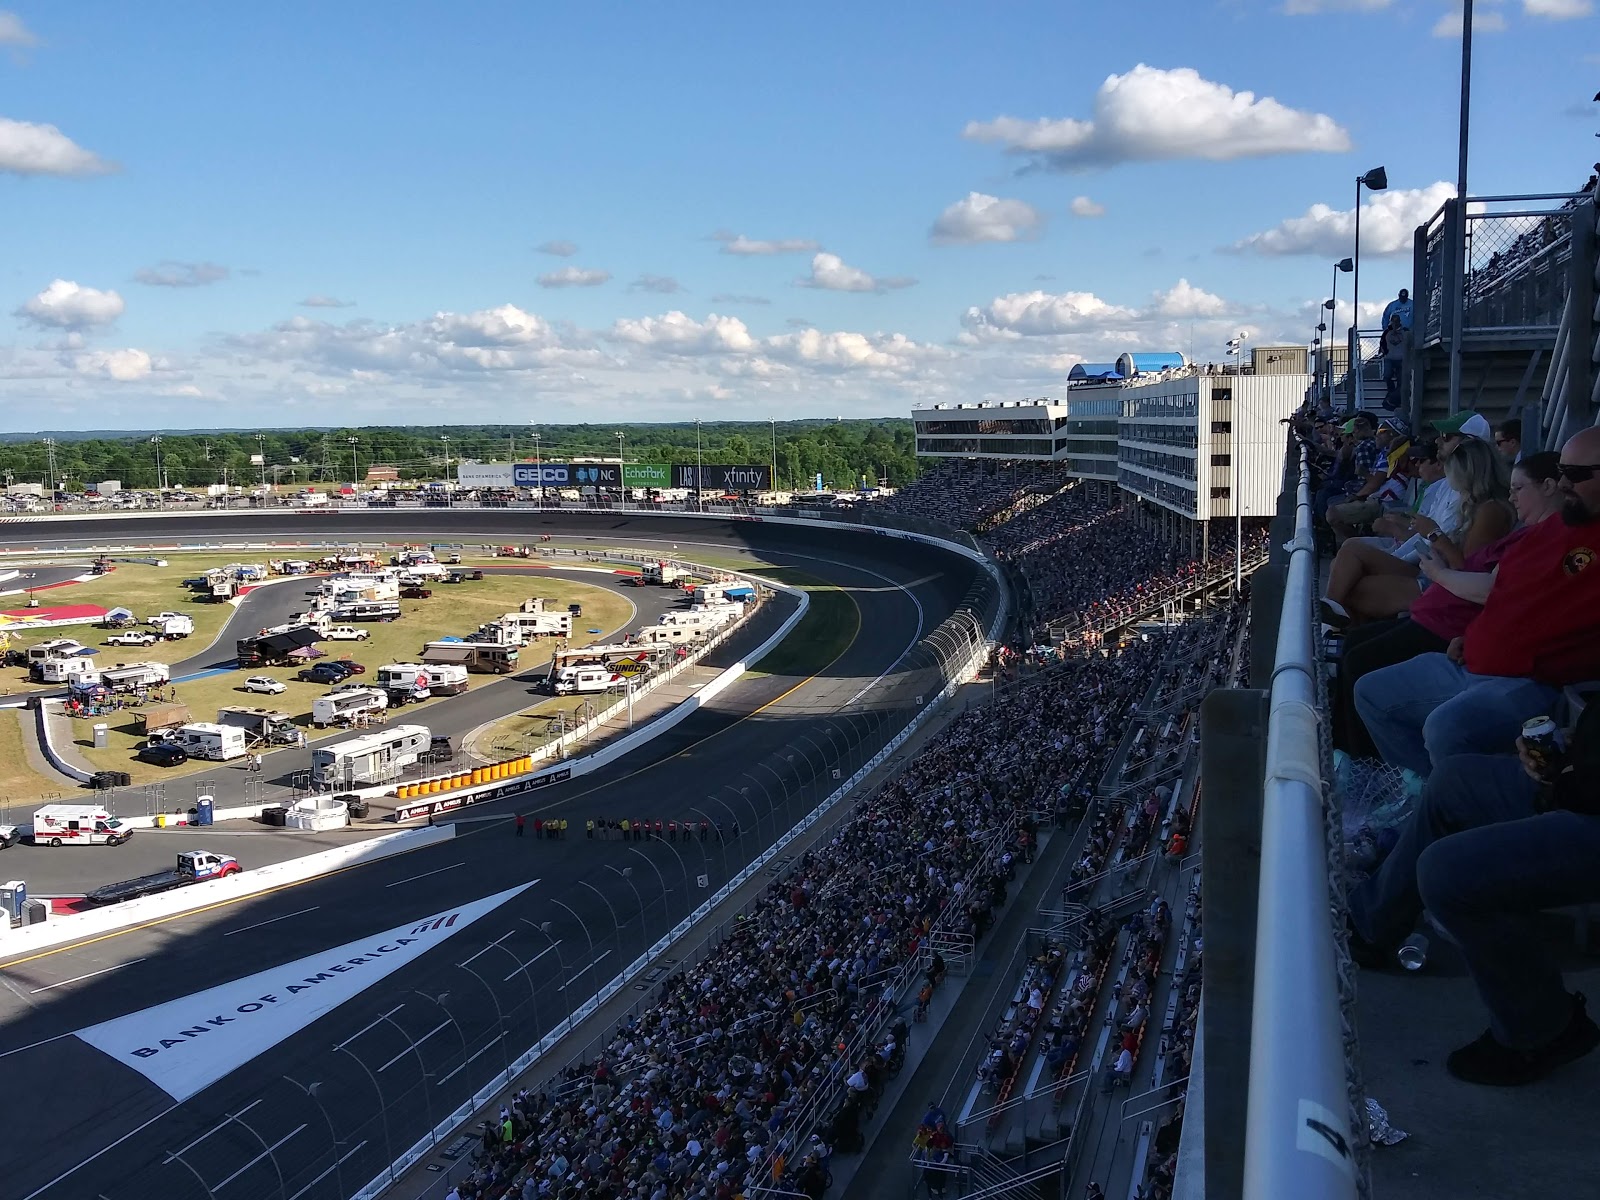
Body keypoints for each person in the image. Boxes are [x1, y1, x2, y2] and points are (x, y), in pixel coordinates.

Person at [1347, 695, 1600, 1084]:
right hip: (1580, 782)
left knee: (1448, 873)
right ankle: (1369, 924)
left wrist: (1569, 777)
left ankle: (1542, 1028)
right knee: (1453, 781)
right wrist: (1574, 744)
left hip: (1587, 800)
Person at [1353, 426, 1600, 777]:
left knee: (1445, 728)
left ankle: (1446, 809)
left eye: (1575, 475)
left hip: (1532, 683)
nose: (1563, 484)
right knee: (1370, 691)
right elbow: (1506, 592)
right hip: (1470, 659)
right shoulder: (1552, 528)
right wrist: (1473, 636)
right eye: (1562, 473)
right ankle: (1418, 794)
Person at [1334, 453, 1564, 757]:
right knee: (1354, 644)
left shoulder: (1501, 516)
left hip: (1450, 625)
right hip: (1453, 627)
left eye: (1519, 489)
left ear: (1548, 486)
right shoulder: (1526, 533)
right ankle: (1347, 751)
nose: (1512, 496)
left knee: (1360, 662)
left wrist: (1435, 552)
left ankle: (1365, 762)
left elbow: (1487, 585)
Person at [1323, 436, 1511, 625]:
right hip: (1432, 570)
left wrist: (1434, 533)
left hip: (1441, 584)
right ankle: (1334, 623)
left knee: (1353, 584)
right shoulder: (1475, 503)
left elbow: (1465, 569)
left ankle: (1331, 624)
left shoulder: (1490, 511)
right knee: (1349, 559)